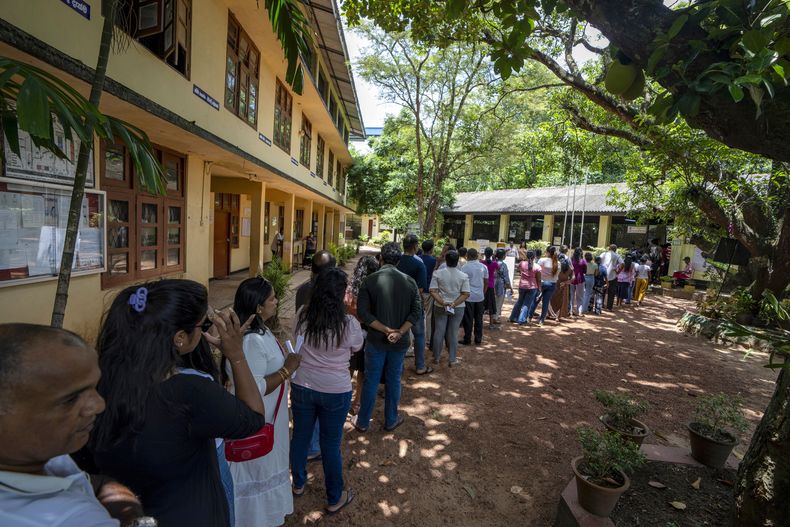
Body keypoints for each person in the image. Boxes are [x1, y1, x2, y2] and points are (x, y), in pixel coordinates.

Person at [90, 280, 268, 527]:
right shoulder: (189, 391)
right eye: (203, 325)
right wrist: (236, 355)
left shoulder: (95, 386)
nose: (206, 330)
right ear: (180, 338)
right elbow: (253, 418)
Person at [0, 324, 148, 527]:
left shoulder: (35, 454)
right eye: (70, 399)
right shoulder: (74, 520)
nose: (99, 405)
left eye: (94, 387)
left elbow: (90, 483)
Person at [227, 277, 301, 527]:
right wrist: (287, 370)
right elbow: (253, 388)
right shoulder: (250, 341)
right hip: (259, 421)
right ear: (258, 307)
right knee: (257, 473)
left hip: (272, 418)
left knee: (270, 465)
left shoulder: (262, 331)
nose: (277, 301)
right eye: (272, 298)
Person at [291, 268, 363, 516]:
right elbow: (357, 346)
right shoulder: (349, 323)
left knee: (300, 437)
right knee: (330, 445)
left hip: (302, 385)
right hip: (335, 390)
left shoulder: (303, 316)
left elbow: (295, 341)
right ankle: (334, 496)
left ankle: (298, 484)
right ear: (342, 294)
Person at [353, 242, 422, 433]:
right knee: (393, 379)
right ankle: (391, 419)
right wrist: (399, 331)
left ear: (380, 258)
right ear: (398, 261)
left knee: (371, 380)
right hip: (399, 342)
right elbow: (416, 312)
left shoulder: (370, 280)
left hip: (376, 340)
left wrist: (385, 330)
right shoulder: (410, 282)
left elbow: (363, 314)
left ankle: (363, 422)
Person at [345, 256, 380, 413]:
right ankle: (357, 402)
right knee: (363, 371)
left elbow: (346, 308)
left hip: (349, 333)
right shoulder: (375, 288)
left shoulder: (349, 288)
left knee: (349, 368)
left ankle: (345, 399)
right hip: (368, 333)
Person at [429, 250, 470, 367]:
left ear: (445, 260)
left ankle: (436, 357)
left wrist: (443, 302)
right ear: (457, 261)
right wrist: (454, 304)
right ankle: (452, 359)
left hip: (440, 306)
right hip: (458, 307)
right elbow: (466, 293)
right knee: (453, 332)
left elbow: (432, 290)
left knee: (439, 331)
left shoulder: (437, 273)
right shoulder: (463, 276)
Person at [396, 234, 428, 373]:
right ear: (415, 246)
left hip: (396, 303)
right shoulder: (419, 263)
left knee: (399, 334)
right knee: (419, 335)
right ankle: (420, 366)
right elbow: (420, 289)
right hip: (414, 304)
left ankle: (398, 366)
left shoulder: (396, 261)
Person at [459, 248, 488, 345]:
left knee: (468, 319)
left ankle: (467, 339)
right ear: (477, 255)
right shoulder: (483, 267)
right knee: (479, 318)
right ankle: (478, 339)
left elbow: (461, 283)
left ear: (468, 256)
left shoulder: (464, 267)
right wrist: (482, 293)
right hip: (480, 297)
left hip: (468, 297)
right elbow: (486, 282)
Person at [532, 246, 560, 326]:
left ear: (547, 252)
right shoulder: (558, 263)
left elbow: (536, 271)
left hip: (542, 283)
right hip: (552, 284)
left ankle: (529, 317)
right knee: (546, 302)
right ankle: (542, 320)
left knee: (536, 301)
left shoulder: (542, 260)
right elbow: (557, 276)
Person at [419, 240, 438, 351]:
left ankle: (416, 337)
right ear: (431, 249)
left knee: (418, 313)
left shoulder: (418, 258)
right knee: (429, 315)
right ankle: (428, 339)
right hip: (429, 289)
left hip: (418, 289)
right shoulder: (434, 260)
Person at [513, 250, 541, 325]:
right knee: (526, 304)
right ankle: (522, 320)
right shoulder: (537, 267)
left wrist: (522, 272)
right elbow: (538, 279)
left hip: (522, 285)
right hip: (532, 287)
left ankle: (513, 317)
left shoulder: (522, 263)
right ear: (534, 257)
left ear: (526, 256)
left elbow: (518, 269)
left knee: (519, 302)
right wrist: (539, 288)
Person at [550, 256, 573, 322]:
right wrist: (566, 282)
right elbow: (573, 278)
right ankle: (558, 315)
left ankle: (553, 314)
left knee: (554, 300)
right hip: (564, 286)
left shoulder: (557, 267)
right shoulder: (570, 269)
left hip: (556, 285)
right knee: (562, 301)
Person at [493, 248, 512, 324]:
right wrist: (510, 287)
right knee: (499, 301)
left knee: (494, 300)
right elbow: (506, 278)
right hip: (500, 284)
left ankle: (494, 316)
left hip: (493, 283)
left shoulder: (493, 263)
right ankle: (495, 317)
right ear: (503, 256)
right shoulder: (504, 265)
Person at [481, 247, 500, 328]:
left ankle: (480, 322)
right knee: (491, 305)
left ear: (484, 254)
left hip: (482, 286)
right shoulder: (494, 263)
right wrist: (494, 259)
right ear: (492, 254)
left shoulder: (481, 262)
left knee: (481, 304)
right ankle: (491, 324)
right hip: (491, 286)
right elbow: (498, 270)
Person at [600, 245, 622, 310]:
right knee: (611, 292)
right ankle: (609, 307)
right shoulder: (617, 255)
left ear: (609, 248)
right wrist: (618, 271)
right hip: (613, 276)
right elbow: (622, 263)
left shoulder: (603, 254)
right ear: (615, 249)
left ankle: (601, 305)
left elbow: (597, 259)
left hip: (603, 275)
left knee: (602, 291)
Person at [570, 247, 587, 316]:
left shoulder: (571, 260)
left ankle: (570, 311)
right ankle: (579, 311)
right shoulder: (583, 261)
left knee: (571, 295)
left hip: (572, 279)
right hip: (580, 279)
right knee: (580, 296)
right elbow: (585, 271)